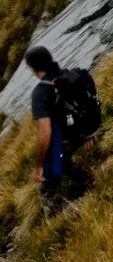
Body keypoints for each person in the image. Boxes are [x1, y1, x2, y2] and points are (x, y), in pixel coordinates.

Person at [25, 46, 99, 216]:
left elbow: (45, 132)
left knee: (46, 184)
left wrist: (39, 166)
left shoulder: (41, 93)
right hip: (89, 128)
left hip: (71, 137)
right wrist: (89, 133)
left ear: (33, 69)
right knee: (60, 156)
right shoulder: (72, 74)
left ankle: (56, 219)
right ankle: (85, 183)